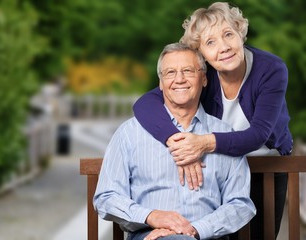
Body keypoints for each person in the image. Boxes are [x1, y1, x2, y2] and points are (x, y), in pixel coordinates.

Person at [132, 2, 293, 239]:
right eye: (210, 42)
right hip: (221, 171)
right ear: (202, 54)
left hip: (266, 168)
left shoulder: (271, 69)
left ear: (240, 33)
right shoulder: (202, 75)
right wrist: (178, 142)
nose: (224, 47)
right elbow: (144, 103)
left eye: (228, 34)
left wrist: (202, 143)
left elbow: (258, 134)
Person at [94, 43, 256, 240]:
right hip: (150, 235)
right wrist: (152, 216)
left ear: (204, 79)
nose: (179, 79)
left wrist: (195, 229)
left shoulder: (224, 134)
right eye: (170, 72)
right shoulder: (130, 133)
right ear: (161, 83)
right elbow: (106, 197)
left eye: (188, 71)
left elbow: (240, 204)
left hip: (206, 236)